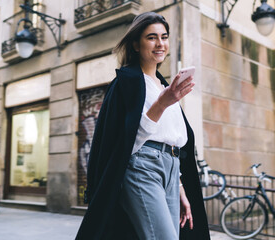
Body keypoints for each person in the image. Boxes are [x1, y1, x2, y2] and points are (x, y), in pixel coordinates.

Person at [76, 12, 210, 239]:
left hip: (171, 168)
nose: (160, 44)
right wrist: (162, 103)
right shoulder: (126, 83)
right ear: (136, 45)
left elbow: (173, 139)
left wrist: (178, 186)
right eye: (151, 37)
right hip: (141, 167)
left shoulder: (163, 85)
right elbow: (127, 141)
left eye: (164, 37)